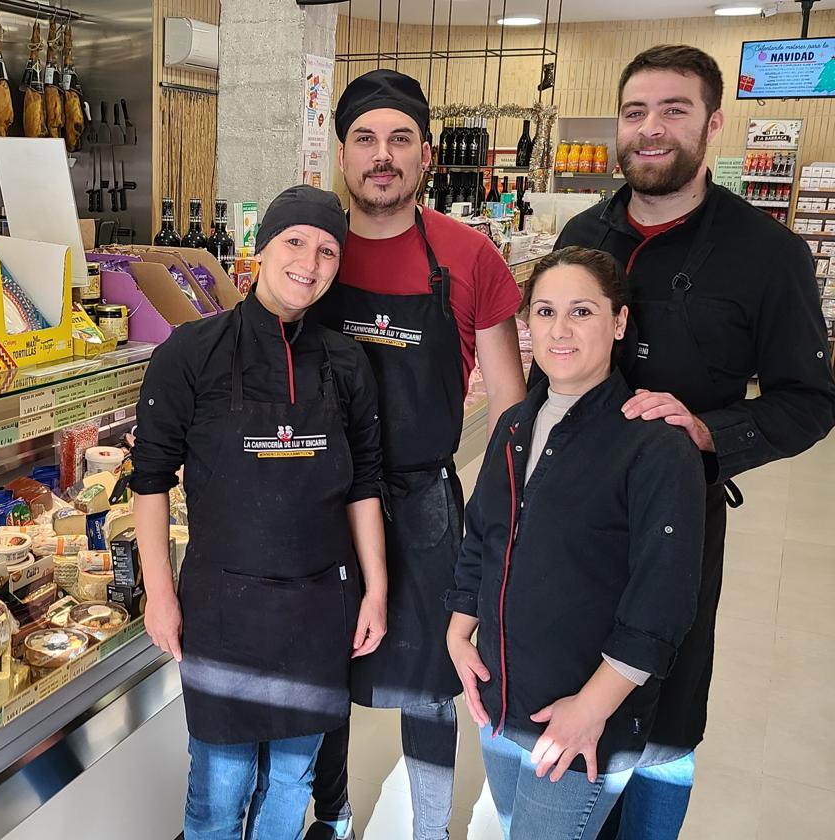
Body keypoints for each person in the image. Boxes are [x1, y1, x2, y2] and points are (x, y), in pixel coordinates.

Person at [548, 45, 835, 838]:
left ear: (712, 123)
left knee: (665, 709)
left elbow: (810, 401)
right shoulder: (582, 232)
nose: (650, 130)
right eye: (636, 111)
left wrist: (712, 429)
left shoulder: (767, 254)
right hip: (573, 516)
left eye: (674, 111)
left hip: (682, 518)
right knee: (570, 688)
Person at [131, 185, 389, 840]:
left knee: (292, 786)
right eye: (295, 241)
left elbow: (364, 483)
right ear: (262, 247)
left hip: (318, 610)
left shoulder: (346, 362)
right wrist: (159, 595)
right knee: (221, 789)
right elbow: (151, 479)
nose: (310, 261)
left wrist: (377, 590)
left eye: (328, 250)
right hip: (223, 613)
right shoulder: (189, 354)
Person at [308, 69, 527, 840]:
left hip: (427, 506)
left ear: (427, 154)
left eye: (400, 139)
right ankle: (328, 819)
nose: (382, 155)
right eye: (365, 138)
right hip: (320, 502)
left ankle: (430, 828)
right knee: (320, 677)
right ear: (341, 154)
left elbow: (512, 416)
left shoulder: (470, 258)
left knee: (436, 679)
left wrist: (504, 533)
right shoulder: (310, 255)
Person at [446, 246, 706, 840]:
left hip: (580, 720)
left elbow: (661, 603)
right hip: (502, 701)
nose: (559, 330)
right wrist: (459, 630)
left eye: (582, 312)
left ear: (618, 322)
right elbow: (483, 534)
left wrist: (589, 712)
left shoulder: (656, 445)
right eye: (544, 311)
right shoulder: (513, 426)